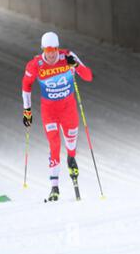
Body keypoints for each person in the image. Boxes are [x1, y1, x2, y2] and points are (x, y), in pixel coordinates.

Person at [22, 32, 93, 201]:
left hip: (68, 110)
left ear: (57, 48)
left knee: (70, 146)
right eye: (48, 50)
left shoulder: (67, 55)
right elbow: (26, 85)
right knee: (54, 144)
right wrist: (27, 110)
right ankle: (54, 187)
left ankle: (71, 158)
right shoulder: (35, 64)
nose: (52, 53)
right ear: (43, 49)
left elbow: (88, 76)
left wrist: (75, 65)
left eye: (54, 49)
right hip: (50, 111)